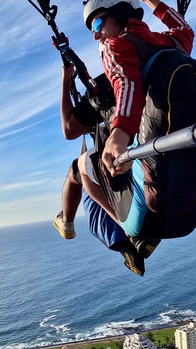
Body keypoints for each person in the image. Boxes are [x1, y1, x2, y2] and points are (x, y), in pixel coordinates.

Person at [77, 0, 196, 243]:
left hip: (155, 201)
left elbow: (126, 84)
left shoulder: (115, 45)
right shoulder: (174, 43)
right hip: (195, 196)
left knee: (81, 165)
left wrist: (118, 136)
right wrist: (150, 1)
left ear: (120, 11)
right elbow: (185, 28)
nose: (96, 35)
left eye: (98, 23)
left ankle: (129, 234)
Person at [53, 64, 149, 276]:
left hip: (127, 160)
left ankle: (68, 223)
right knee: (89, 171)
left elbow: (69, 130)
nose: (97, 35)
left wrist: (65, 83)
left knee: (76, 170)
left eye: (98, 28)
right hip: (157, 154)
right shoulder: (155, 67)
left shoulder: (111, 81)